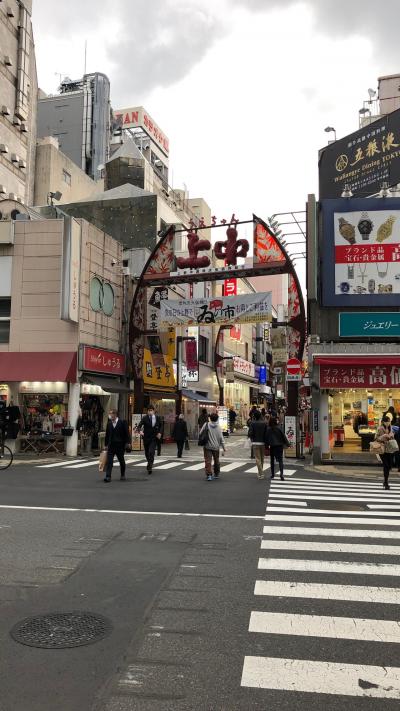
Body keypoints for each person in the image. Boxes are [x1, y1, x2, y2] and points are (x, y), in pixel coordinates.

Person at [104, 409, 130, 483]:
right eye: (109, 414)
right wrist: (106, 445)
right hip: (111, 445)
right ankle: (108, 476)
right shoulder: (109, 424)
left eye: (111, 414)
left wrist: (128, 442)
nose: (110, 415)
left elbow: (127, 433)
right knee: (109, 461)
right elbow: (107, 435)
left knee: (121, 460)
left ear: (115, 415)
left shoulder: (122, 422)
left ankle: (122, 474)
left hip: (120, 445)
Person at [200, 412, 225, 481]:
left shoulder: (206, 424)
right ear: (217, 419)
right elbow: (221, 438)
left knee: (208, 461)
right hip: (216, 447)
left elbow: (201, 433)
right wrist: (224, 448)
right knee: (216, 460)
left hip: (207, 446)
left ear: (210, 418)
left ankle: (209, 475)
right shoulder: (219, 427)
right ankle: (216, 473)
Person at [139, 405, 162, 475]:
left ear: (153, 411)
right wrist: (140, 431)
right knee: (147, 453)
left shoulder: (157, 418)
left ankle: (150, 465)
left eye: (151, 410)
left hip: (154, 438)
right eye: (149, 410)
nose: (150, 412)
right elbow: (139, 426)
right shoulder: (145, 418)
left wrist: (160, 433)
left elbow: (161, 426)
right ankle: (149, 462)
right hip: (146, 437)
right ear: (147, 411)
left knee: (151, 452)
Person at [375, 415, 396, 490]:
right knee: (386, 465)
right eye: (386, 421)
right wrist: (383, 436)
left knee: (389, 465)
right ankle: (386, 482)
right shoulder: (380, 428)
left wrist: (391, 436)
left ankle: (385, 481)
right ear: (383, 422)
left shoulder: (391, 428)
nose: (388, 423)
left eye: (389, 421)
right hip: (382, 449)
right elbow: (376, 438)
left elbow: (393, 437)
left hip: (389, 449)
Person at [266, 416, 289, 481]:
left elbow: (266, 438)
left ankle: (272, 474)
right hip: (279, 446)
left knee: (272, 460)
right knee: (280, 460)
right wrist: (287, 443)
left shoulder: (268, 429)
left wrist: (266, 446)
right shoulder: (279, 428)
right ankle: (281, 474)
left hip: (272, 446)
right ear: (276, 421)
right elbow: (283, 436)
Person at [248, 410, 269, 479]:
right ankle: (260, 472)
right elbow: (266, 434)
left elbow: (250, 433)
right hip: (263, 442)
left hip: (255, 442)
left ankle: (261, 473)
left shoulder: (252, 423)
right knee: (262, 459)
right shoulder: (264, 423)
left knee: (257, 458)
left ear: (254, 416)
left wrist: (251, 438)